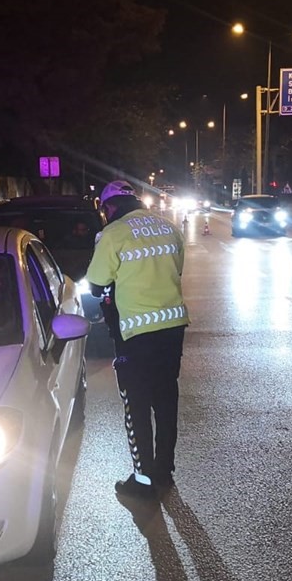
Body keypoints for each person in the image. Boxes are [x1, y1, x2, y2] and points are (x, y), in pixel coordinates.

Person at [86, 179, 189, 501]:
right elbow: (178, 270)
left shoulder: (114, 233)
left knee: (136, 403)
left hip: (134, 333)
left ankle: (142, 480)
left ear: (110, 207)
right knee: (166, 398)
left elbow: (96, 283)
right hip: (172, 327)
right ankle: (164, 470)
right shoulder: (169, 227)